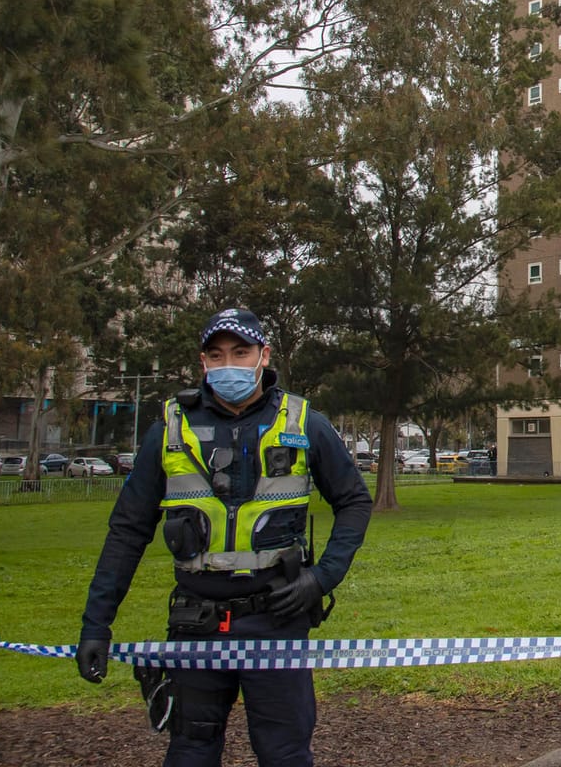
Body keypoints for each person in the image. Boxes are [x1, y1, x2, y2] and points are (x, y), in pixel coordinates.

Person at [76, 308, 372, 767]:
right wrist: (96, 624)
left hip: (277, 619)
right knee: (190, 751)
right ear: (203, 362)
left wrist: (321, 579)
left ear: (263, 355)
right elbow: (128, 530)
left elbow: (354, 501)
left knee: (285, 753)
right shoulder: (171, 428)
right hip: (196, 621)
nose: (228, 364)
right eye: (217, 355)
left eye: (240, 352)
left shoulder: (303, 423)